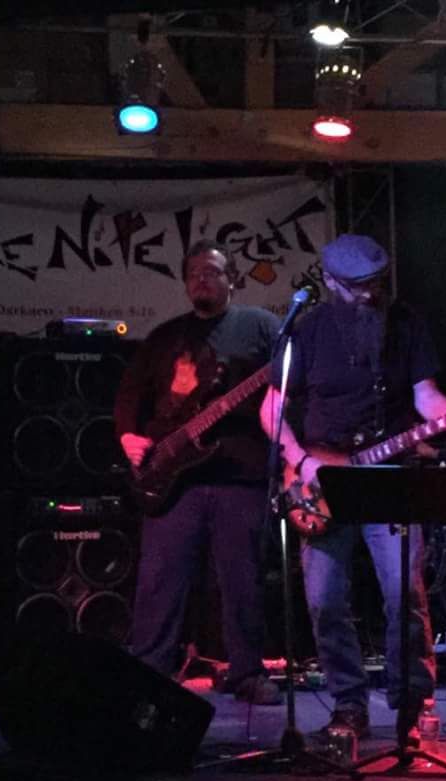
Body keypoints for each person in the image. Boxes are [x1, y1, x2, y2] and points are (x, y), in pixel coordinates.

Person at [260, 233, 446, 741]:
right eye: (357, 286)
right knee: (325, 600)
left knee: (404, 593)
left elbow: (425, 397)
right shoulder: (306, 332)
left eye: (377, 283)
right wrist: (301, 461)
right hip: (320, 481)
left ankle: (412, 705)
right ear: (329, 281)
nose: (370, 294)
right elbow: (271, 410)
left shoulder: (406, 324)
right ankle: (348, 705)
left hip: (389, 475)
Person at [114, 238, 282, 704]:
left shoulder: (261, 326)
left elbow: (292, 379)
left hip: (239, 475)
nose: (201, 280)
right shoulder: (166, 337)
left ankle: (246, 672)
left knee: (242, 581)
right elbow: (129, 393)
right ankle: (149, 671)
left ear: (233, 279)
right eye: (193, 274)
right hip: (172, 478)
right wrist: (128, 436)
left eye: (211, 271)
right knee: (159, 580)